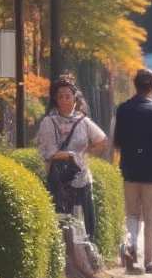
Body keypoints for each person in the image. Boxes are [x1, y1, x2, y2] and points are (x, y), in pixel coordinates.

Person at [36, 78, 107, 246]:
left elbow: (102, 140)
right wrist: (66, 155)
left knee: (85, 220)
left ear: (75, 99)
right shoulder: (49, 122)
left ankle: (86, 254)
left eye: (67, 96)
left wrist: (84, 153)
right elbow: (46, 152)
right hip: (59, 179)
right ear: (55, 99)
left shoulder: (83, 121)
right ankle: (65, 255)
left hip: (81, 177)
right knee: (62, 220)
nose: (64, 100)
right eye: (60, 97)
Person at [112, 67, 152, 272]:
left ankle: (132, 251)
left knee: (132, 214)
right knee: (150, 217)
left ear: (135, 86)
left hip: (129, 168)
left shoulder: (123, 109)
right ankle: (149, 261)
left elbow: (116, 142)